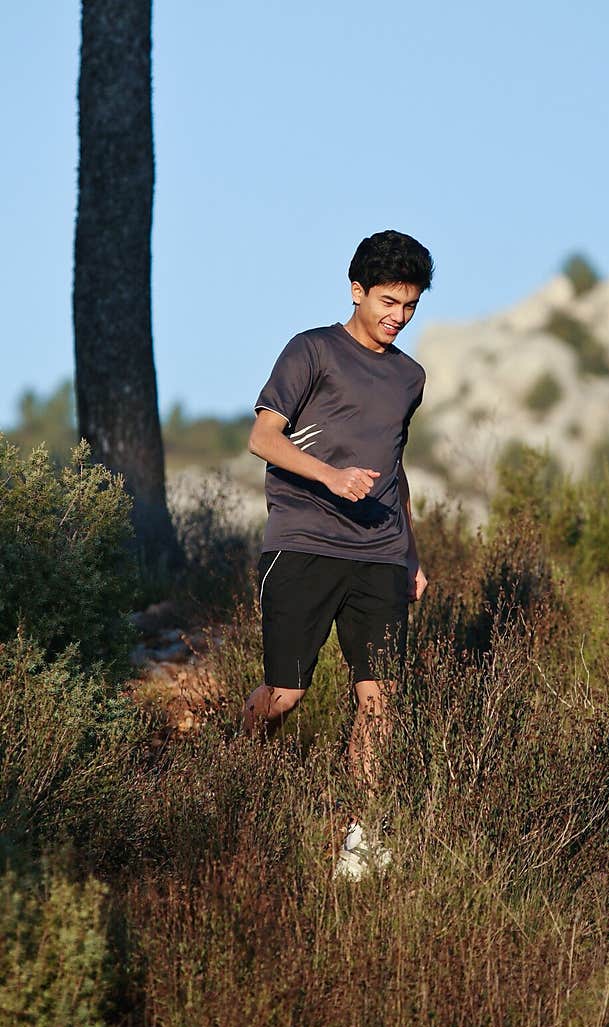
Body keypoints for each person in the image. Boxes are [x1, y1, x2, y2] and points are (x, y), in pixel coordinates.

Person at [242, 229, 433, 880]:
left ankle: (365, 838)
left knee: (380, 698)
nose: (397, 317)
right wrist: (328, 476)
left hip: (379, 552)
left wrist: (411, 554)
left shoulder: (410, 376)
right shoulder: (312, 351)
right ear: (357, 291)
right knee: (286, 693)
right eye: (387, 301)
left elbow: (395, 467)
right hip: (305, 542)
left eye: (409, 306)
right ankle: (239, 759)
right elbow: (263, 437)